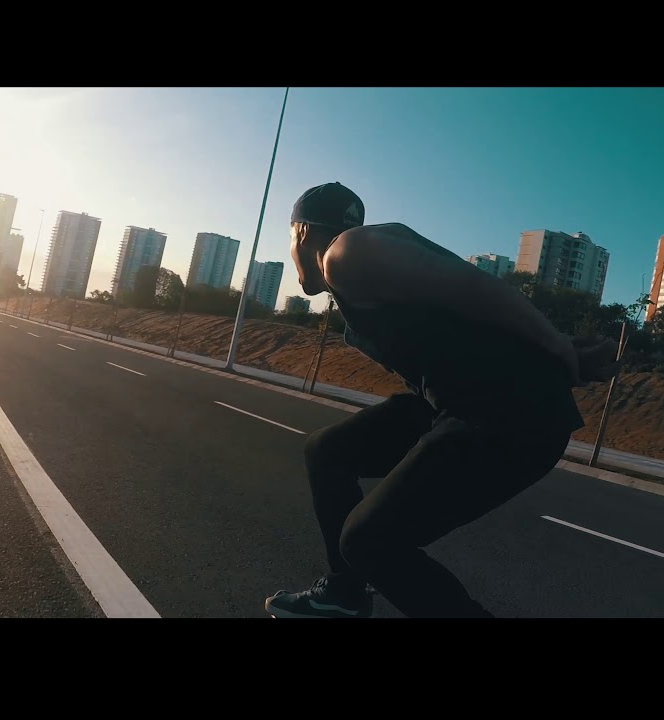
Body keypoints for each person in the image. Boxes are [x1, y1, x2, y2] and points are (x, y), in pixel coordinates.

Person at [265, 182, 619, 619]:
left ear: (300, 232)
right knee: (326, 451)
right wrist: (558, 353)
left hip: (504, 415)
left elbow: (477, 287)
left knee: (368, 540)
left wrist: (557, 344)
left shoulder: (348, 253)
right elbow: (460, 320)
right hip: (465, 404)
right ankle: (344, 593)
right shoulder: (359, 275)